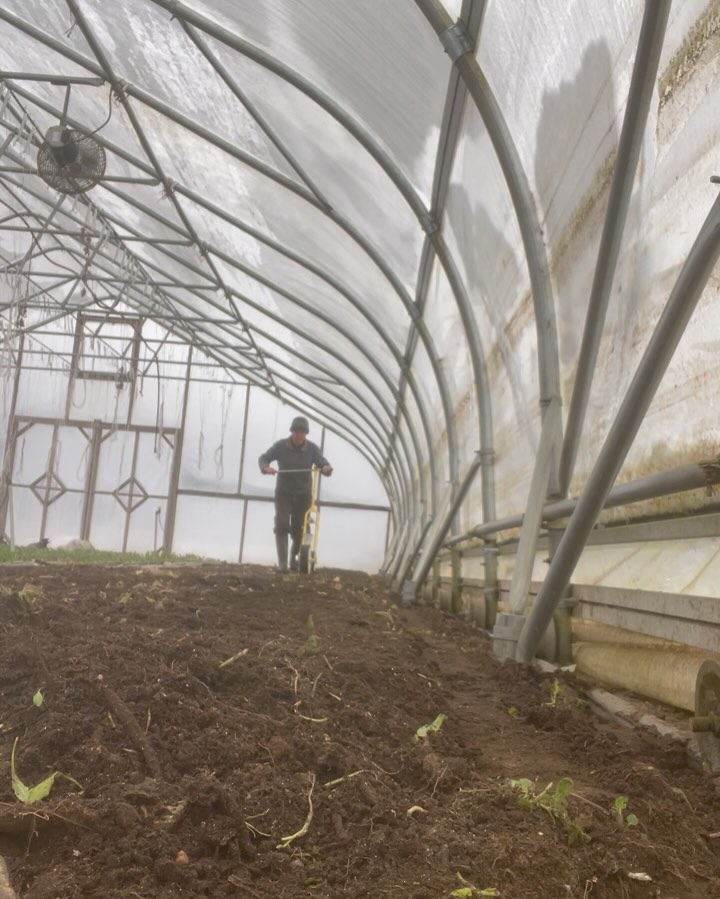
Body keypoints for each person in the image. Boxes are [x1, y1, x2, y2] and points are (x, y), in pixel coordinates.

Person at [259, 415, 333, 571]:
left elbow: (321, 461)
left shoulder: (312, 449)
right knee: (282, 524)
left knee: (300, 529)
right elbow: (264, 458)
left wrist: (326, 467)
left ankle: (294, 558)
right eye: (296, 432)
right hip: (283, 493)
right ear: (292, 432)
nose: (299, 435)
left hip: (303, 494)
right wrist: (266, 467)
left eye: (302, 432)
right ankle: (283, 563)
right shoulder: (280, 446)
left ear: (306, 434)